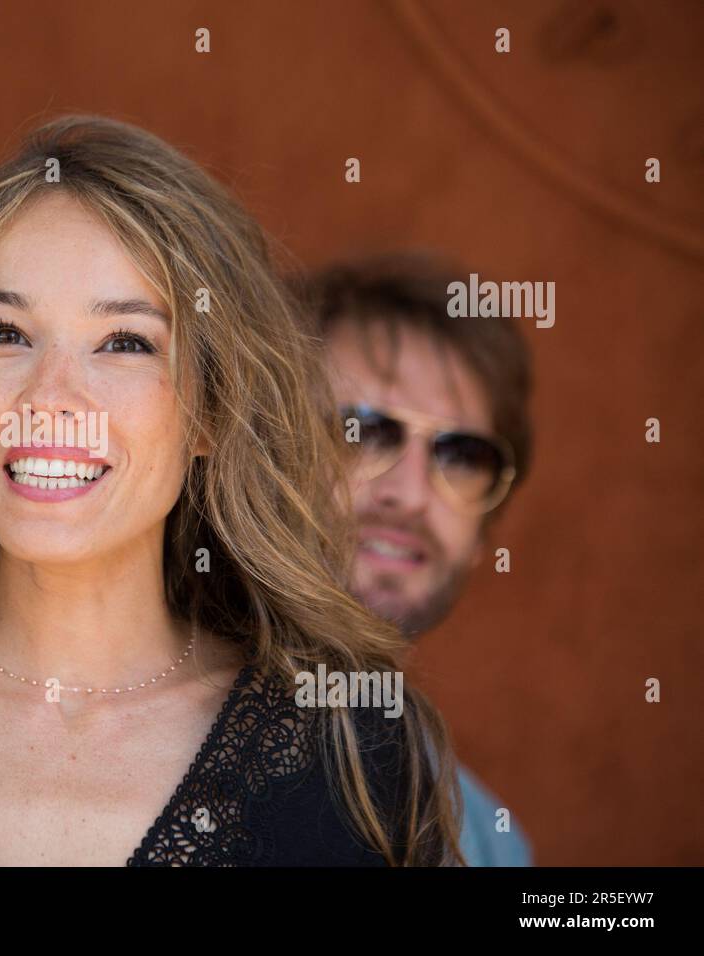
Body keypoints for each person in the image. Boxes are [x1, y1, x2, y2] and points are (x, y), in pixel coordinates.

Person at [0, 116, 463, 866]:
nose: (48, 396)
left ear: (211, 414)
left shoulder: (355, 747)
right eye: (5, 333)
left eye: (124, 342)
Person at [305, 253, 535, 866]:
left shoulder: (490, 847)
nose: (408, 493)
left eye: (459, 454)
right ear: (265, 459)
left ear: (484, 530)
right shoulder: (115, 737)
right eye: (364, 432)